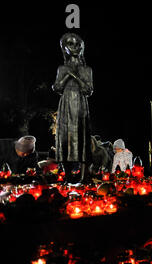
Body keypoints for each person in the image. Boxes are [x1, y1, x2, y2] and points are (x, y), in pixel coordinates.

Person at [52, 33, 93, 183]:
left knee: (81, 137)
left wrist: (75, 77)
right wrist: (66, 76)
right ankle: (68, 175)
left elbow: (89, 90)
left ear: (81, 47)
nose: (74, 48)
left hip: (80, 105)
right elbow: (57, 87)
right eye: (70, 44)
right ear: (65, 48)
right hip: (66, 104)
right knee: (64, 136)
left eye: (77, 45)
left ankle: (83, 176)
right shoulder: (62, 68)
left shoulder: (86, 69)